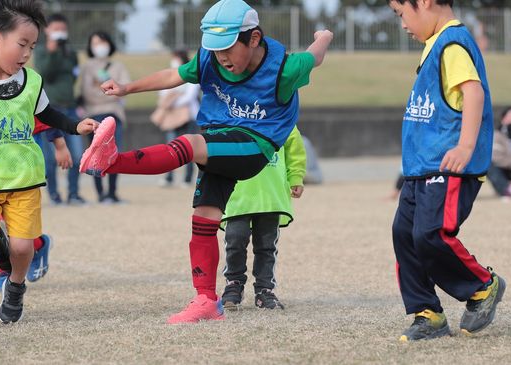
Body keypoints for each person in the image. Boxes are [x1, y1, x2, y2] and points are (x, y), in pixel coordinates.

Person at [80, 0, 332, 324]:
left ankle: (111, 161)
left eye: (227, 48)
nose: (221, 58)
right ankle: (206, 301)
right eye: (214, 49)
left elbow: (317, 55)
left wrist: (323, 34)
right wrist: (128, 88)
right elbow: (174, 74)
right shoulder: (210, 60)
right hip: (218, 139)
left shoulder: (283, 68)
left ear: (253, 39)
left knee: (191, 144)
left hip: (254, 145)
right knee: (204, 218)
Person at [0, 0, 98, 323]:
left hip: (23, 181)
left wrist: (75, 126)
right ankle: (3, 253)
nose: (26, 54)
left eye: (32, 47)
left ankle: (16, 287)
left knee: (22, 247)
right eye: (21, 44)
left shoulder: (30, 82)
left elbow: (48, 114)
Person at [387, 0, 505, 341]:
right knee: (404, 235)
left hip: (448, 166)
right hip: (421, 168)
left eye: (401, 13)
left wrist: (466, 146)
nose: (403, 24)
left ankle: (482, 286)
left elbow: (473, 92)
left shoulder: (452, 43)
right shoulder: (433, 45)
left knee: (430, 234)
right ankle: (427, 313)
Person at [0, 19, 69, 293]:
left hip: (16, 175)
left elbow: (43, 118)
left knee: (17, 236)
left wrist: (60, 143)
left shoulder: (18, 86)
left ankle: (22, 261)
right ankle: (8, 268)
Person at [220, 127, 306, 311]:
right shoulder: (231, 113)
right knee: (235, 240)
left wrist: (296, 176)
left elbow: (294, 145)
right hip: (238, 193)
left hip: (270, 194)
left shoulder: (277, 114)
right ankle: (233, 285)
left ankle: (265, 290)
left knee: (267, 246)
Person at [34, 13, 86, 205]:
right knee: (49, 158)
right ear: (47, 30)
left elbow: (73, 76)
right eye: (55, 29)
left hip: (70, 108)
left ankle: (73, 193)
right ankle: (54, 195)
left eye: (62, 29)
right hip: (49, 109)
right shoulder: (41, 51)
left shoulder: (70, 52)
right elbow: (47, 73)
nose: (59, 33)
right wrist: (53, 51)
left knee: (77, 154)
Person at [79, 31, 130, 203]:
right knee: (96, 154)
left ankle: (112, 192)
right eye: (95, 43)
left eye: (102, 41)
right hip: (93, 115)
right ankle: (100, 193)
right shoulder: (87, 67)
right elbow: (86, 92)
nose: (99, 46)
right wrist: (109, 92)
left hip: (114, 114)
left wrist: (98, 88)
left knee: (115, 153)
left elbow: (123, 90)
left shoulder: (119, 66)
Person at [152, 49, 200, 188]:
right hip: (171, 117)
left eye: (177, 59)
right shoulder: (169, 73)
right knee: (170, 147)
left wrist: (173, 102)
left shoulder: (191, 76)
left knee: (190, 147)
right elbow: (162, 92)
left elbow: (190, 96)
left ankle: (187, 178)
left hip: (188, 116)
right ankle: (169, 177)